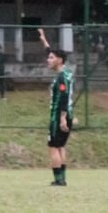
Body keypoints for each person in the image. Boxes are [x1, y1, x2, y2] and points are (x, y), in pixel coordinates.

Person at [38, 28, 74, 187]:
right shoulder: (66, 72)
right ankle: (62, 179)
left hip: (59, 116)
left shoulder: (61, 78)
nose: (48, 60)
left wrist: (62, 118)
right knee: (61, 146)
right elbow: (50, 51)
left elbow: (64, 97)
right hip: (66, 115)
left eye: (51, 58)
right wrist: (43, 39)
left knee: (53, 147)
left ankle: (59, 180)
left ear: (59, 60)